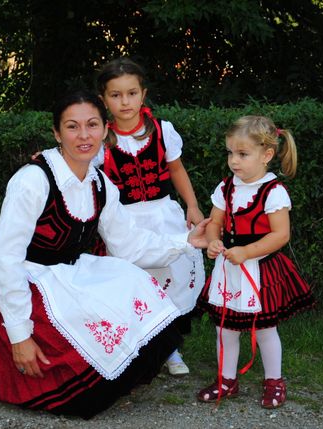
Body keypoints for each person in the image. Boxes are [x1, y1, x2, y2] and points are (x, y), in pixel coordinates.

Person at [0, 89, 210, 419]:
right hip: (25, 286)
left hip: (68, 275)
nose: (84, 135)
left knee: (133, 283)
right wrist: (19, 335)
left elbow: (129, 244)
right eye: (72, 127)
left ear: (105, 129)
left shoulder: (100, 183)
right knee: (85, 399)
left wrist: (187, 240)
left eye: (92, 125)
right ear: (57, 133)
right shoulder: (32, 181)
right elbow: (3, 259)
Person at [94, 57, 206, 376]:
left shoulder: (161, 131)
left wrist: (192, 205)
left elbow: (176, 170)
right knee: (133, 285)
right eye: (116, 95)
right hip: (125, 222)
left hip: (162, 215)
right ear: (104, 100)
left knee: (170, 280)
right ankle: (138, 350)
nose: (125, 102)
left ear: (143, 94)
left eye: (131, 93)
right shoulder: (100, 140)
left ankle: (170, 348)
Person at [196, 115, 316, 408]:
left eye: (242, 154)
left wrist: (247, 252)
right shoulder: (226, 187)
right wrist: (213, 241)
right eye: (230, 153)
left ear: (266, 155)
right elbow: (215, 222)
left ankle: (274, 381)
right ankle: (227, 380)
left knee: (264, 329)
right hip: (230, 268)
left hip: (260, 270)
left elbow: (281, 235)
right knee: (225, 328)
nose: (234, 161)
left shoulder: (273, 192)